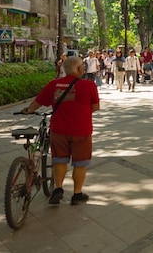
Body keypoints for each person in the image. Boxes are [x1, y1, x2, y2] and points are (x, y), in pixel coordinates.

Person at [21, 56, 99, 206]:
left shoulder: (54, 85)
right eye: (82, 66)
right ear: (79, 69)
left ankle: (58, 189)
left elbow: (37, 103)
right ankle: (77, 194)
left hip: (59, 130)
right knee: (80, 163)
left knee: (59, 160)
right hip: (81, 130)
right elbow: (95, 107)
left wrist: (28, 110)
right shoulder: (89, 85)